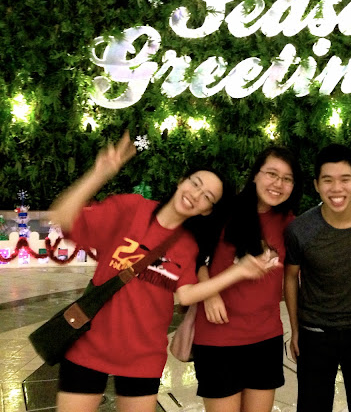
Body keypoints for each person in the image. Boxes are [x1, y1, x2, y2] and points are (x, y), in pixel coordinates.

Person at [48, 132, 277, 412]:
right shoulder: (131, 209)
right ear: (181, 181)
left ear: (207, 210)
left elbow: (187, 295)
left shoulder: (188, 245)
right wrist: (99, 174)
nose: (196, 195)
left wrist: (239, 272)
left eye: (207, 197)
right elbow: (62, 217)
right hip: (89, 345)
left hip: (142, 357)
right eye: (195, 183)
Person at [192, 146, 303, 412]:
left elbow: (293, 279)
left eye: (287, 179)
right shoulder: (223, 211)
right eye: (271, 174)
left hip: (265, 339)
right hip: (218, 337)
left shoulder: (290, 224)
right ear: (255, 175)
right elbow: (192, 255)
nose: (278, 184)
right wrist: (209, 293)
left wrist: (297, 329)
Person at [284, 144, 351, 412]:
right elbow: (291, 277)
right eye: (328, 180)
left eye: (345, 180)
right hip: (314, 333)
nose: (337, 189)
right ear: (317, 185)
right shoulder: (300, 229)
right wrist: (295, 330)